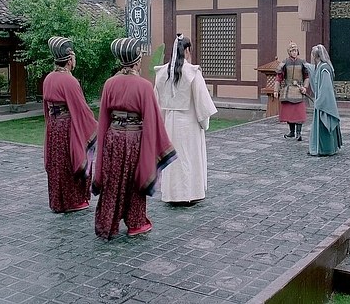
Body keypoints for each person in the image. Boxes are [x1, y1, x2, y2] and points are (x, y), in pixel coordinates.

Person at [93, 37, 175, 239]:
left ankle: (107, 223)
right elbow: (152, 119)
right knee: (135, 179)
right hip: (135, 139)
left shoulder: (109, 84)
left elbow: (104, 117)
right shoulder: (144, 86)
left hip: (113, 138)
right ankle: (136, 223)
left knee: (112, 180)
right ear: (137, 61)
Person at [154, 34, 218, 205]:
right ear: (188, 50)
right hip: (189, 123)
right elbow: (202, 103)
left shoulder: (162, 73)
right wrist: (204, 123)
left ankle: (172, 195)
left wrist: (161, 124)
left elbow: (158, 103)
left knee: (173, 159)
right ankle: (189, 193)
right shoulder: (192, 73)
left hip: (170, 123)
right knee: (189, 158)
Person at [42, 36, 97, 213]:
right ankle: (73, 201)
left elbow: (46, 107)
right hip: (67, 127)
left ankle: (58, 202)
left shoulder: (48, 78)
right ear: (69, 59)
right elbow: (81, 109)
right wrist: (96, 126)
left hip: (53, 126)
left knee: (57, 164)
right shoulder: (70, 81)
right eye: (74, 56)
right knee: (69, 161)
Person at [307, 44, 342, 156]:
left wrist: (320, 101)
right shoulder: (320, 67)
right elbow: (312, 70)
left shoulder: (324, 69)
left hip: (325, 102)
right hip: (321, 101)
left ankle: (325, 149)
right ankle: (320, 148)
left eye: (312, 55)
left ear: (316, 56)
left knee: (324, 123)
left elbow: (326, 88)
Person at [273, 42, 310, 141]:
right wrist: (276, 90)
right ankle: (292, 132)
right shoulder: (285, 62)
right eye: (292, 50)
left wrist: (305, 87)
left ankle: (298, 133)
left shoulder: (302, 62)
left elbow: (307, 77)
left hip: (299, 90)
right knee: (289, 113)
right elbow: (278, 78)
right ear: (289, 52)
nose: (294, 52)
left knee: (299, 113)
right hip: (288, 90)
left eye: (296, 50)